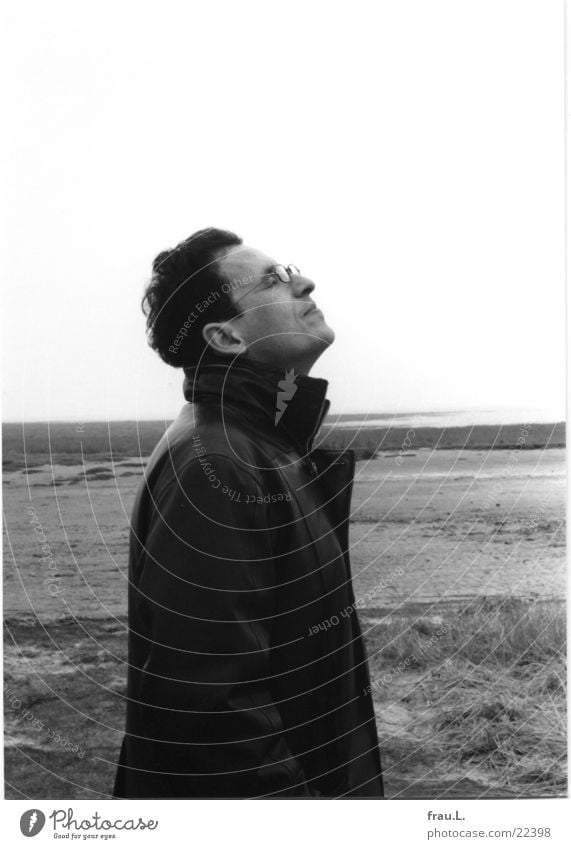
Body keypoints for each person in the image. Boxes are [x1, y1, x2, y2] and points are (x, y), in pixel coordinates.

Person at [112, 227, 384, 798]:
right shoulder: (216, 467)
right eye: (273, 280)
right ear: (227, 336)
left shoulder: (260, 447)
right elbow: (214, 712)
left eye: (290, 270)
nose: (303, 280)